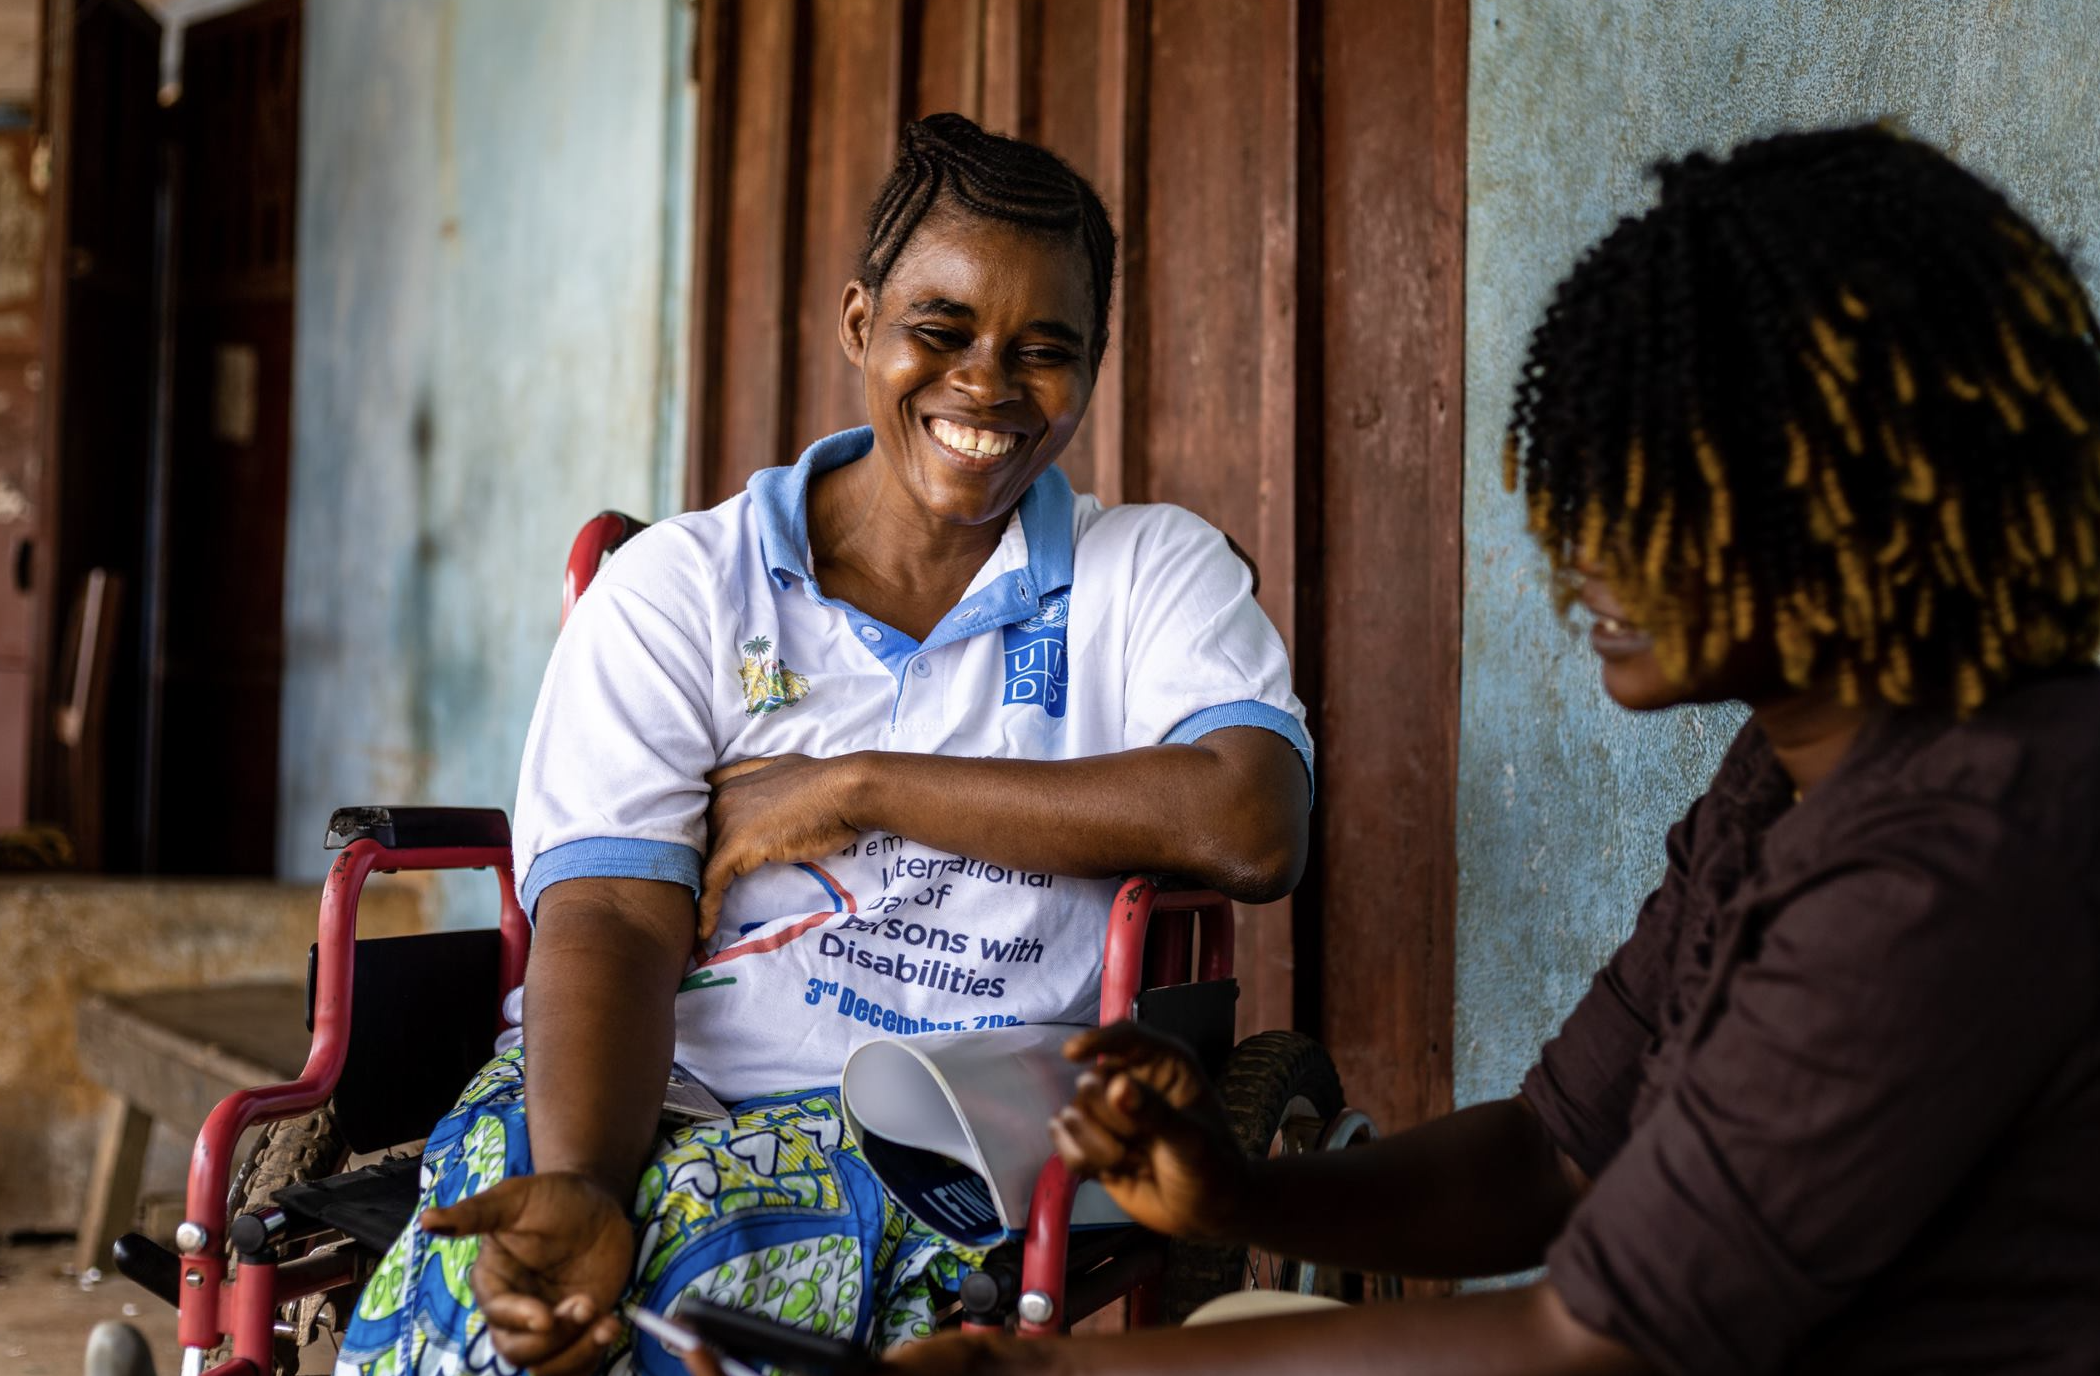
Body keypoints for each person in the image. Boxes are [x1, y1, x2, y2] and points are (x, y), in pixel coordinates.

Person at [855, 125, 2100, 1376]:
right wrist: (1241, 1197)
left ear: (1873, 483)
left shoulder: (1968, 846)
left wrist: (1044, 1366)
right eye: (1583, 459)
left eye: (1662, 477)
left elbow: (1594, 1341)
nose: (1581, 534)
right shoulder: (1785, 779)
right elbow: (1549, 1152)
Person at [336, 112, 1313, 1376]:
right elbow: (616, 919)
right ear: (860, 324)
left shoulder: (1151, 574)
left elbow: (1253, 820)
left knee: (705, 1284)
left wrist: (857, 785)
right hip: (621, 1083)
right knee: (503, 1297)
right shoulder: (680, 588)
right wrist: (582, 1179)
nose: (988, 384)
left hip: (932, 1125)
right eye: (940, 330)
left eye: (1045, 349)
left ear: (1095, 362)